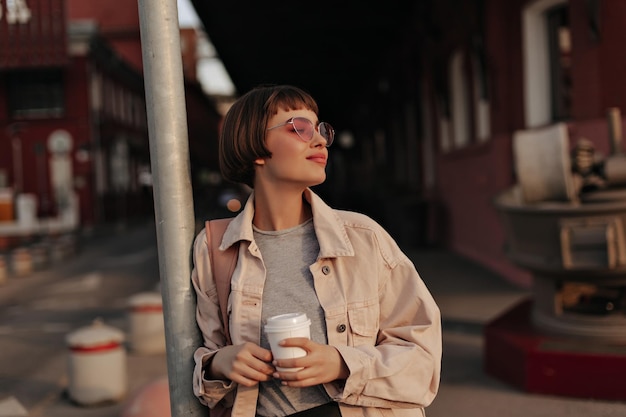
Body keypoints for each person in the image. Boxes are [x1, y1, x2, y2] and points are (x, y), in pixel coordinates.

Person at [191, 85, 442, 417]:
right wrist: (218, 364)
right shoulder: (215, 249)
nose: (320, 140)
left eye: (321, 129)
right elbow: (202, 372)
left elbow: (423, 360)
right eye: (300, 128)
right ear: (255, 148)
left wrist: (341, 364)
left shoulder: (363, 238)